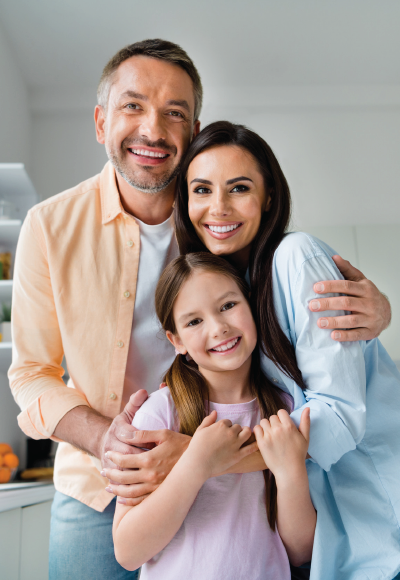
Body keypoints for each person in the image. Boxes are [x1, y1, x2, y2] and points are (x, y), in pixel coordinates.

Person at [8, 39, 391, 580]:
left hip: (232, 460)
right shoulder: (49, 227)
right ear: (100, 122)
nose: (152, 129)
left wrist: (376, 314)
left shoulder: (216, 233)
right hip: (103, 479)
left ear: (191, 132)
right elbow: (29, 372)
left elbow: (293, 316)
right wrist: (107, 440)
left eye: (174, 113)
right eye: (133, 106)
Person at [169, 121, 399, 580]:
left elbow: (336, 417)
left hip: (378, 519)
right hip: (315, 537)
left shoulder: (296, 257)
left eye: (238, 188)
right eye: (201, 189)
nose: (218, 207)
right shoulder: (224, 292)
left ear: (269, 197)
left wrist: (193, 461)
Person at [113, 252, 316, 579]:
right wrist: (196, 465)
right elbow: (127, 552)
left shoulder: (285, 409)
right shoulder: (160, 414)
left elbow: (300, 552)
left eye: (228, 306)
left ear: (251, 304)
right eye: (194, 321)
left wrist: (291, 470)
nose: (219, 328)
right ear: (176, 340)